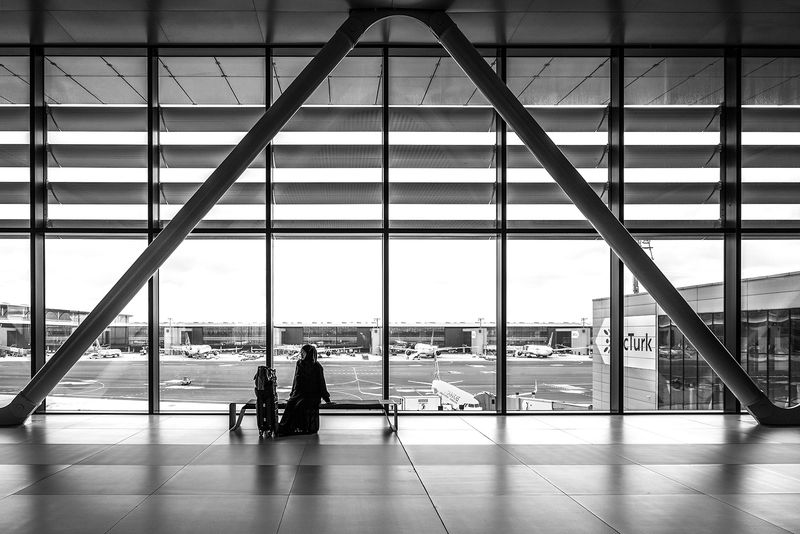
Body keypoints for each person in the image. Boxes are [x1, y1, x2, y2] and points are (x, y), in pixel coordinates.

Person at [277, 344, 332, 436]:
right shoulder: (299, 363)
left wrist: (327, 399)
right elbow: (295, 380)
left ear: (308, 354)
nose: (301, 354)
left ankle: (291, 428)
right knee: (290, 404)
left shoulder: (317, 366)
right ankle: (285, 427)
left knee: (299, 405)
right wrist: (292, 394)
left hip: (311, 395)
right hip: (299, 394)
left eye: (303, 352)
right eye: (301, 352)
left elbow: (321, 383)